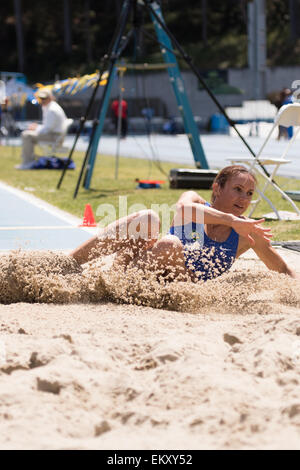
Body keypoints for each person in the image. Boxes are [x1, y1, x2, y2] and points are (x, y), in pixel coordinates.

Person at [70, 165, 299, 281]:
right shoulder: (194, 202)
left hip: (178, 290)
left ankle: (117, 285)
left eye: (249, 193)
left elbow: (281, 268)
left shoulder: (247, 232)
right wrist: (231, 220)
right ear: (217, 189)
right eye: (237, 189)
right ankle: (70, 263)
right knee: (149, 219)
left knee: (170, 244)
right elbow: (181, 208)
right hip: (138, 274)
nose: (243, 198)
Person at [16, 89, 68, 170]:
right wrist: (36, 127)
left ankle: (28, 162)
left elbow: (47, 129)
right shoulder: (49, 107)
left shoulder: (52, 110)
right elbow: (47, 126)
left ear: (50, 98)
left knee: (26, 135)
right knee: (27, 134)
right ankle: (29, 160)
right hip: (53, 134)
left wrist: (35, 128)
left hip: (54, 136)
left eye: (44, 98)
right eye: (41, 98)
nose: (42, 100)